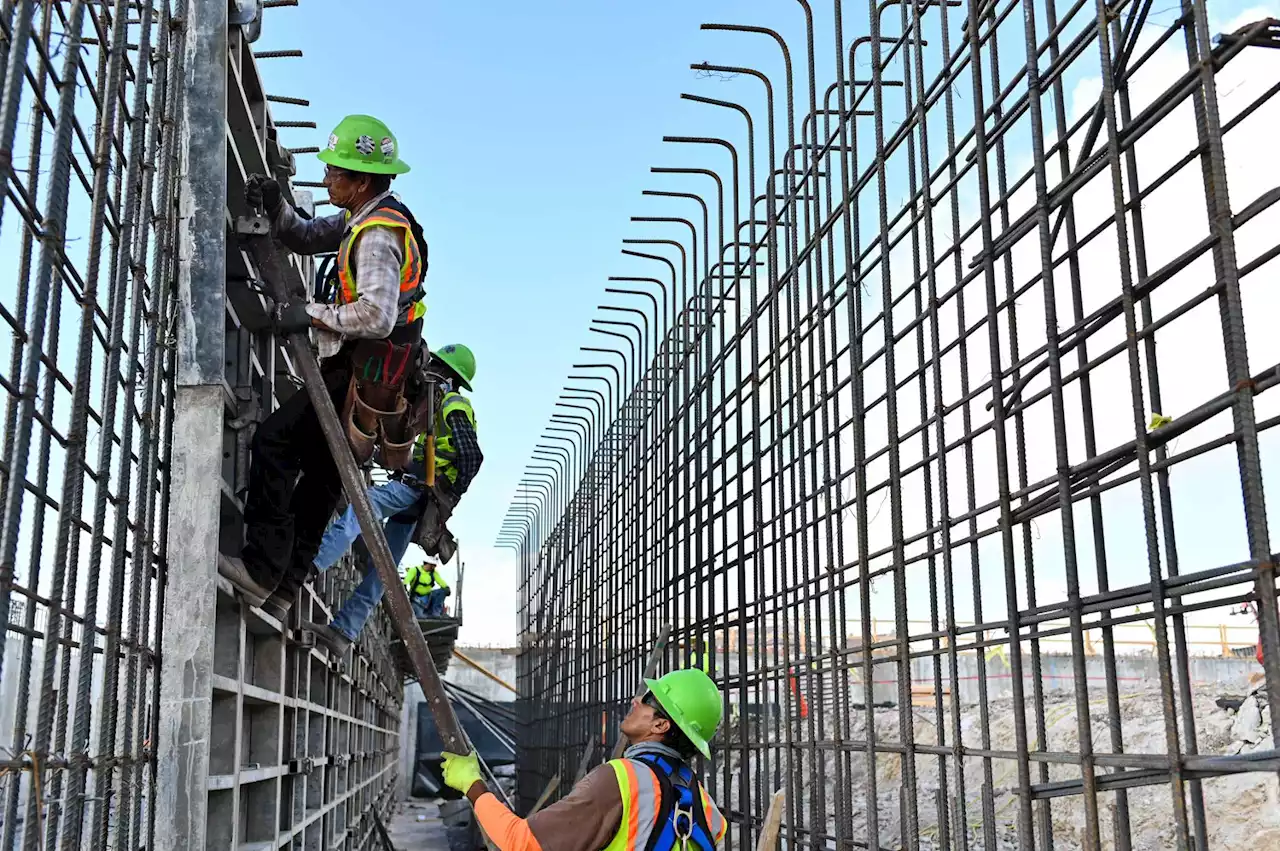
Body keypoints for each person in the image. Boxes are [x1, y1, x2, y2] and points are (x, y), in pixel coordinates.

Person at [218, 114, 427, 622]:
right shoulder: (366, 216)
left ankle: (262, 569)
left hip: (357, 371)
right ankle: (286, 585)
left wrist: (309, 312)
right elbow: (308, 236)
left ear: (362, 180)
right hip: (369, 372)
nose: (328, 178)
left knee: (274, 441)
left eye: (336, 172)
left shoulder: (378, 234)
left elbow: (375, 317)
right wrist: (277, 206)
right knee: (321, 480)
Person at [298, 345, 481, 656]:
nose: (429, 372)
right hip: (422, 494)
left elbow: (472, 456)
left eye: (436, 367)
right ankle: (343, 632)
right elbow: (437, 455)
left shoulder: (453, 404)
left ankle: (308, 566)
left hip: (420, 491)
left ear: (449, 376)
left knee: (361, 506)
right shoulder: (437, 408)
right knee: (385, 567)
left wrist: (448, 493)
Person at [440, 668, 728, 851]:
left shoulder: (619, 781)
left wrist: (473, 784)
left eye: (648, 700)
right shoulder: (707, 810)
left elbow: (521, 841)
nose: (635, 701)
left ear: (661, 726)